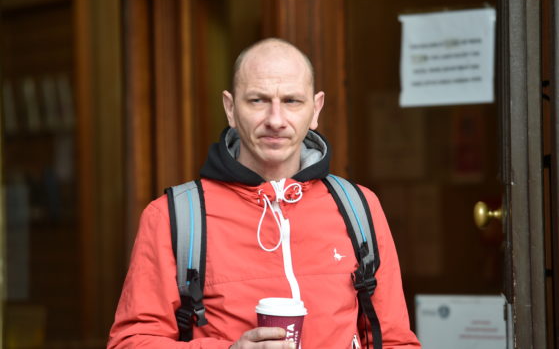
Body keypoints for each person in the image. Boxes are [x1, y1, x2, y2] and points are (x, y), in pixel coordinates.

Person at [108, 38, 421, 349]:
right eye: (257, 100)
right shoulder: (173, 217)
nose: (275, 120)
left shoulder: (359, 207)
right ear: (230, 108)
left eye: (292, 101)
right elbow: (129, 343)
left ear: (316, 109)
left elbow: (395, 341)